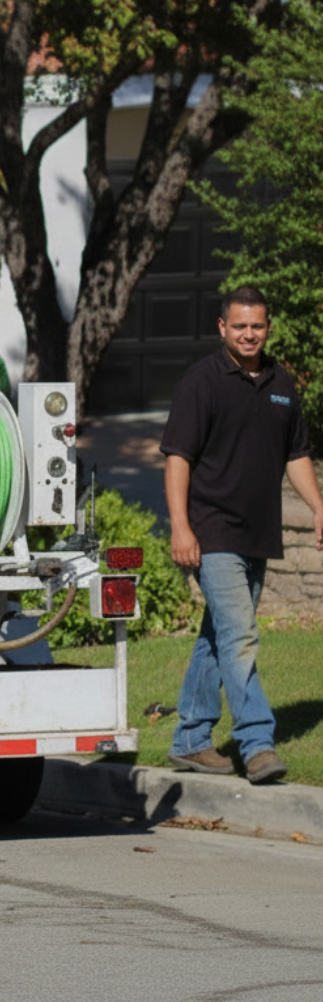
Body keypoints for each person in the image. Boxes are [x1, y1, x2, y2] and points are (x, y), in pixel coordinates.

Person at [160, 287, 323, 784]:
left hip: (258, 532)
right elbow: (177, 458)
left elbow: (296, 455)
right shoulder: (202, 382)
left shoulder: (280, 383)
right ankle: (257, 743)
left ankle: (190, 738)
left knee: (219, 636)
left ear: (267, 328)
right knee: (241, 635)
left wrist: (319, 507)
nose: (249, 334)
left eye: (257, 326)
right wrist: (181, 527)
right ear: (222, 328)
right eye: (240, 326)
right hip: (212, 531)